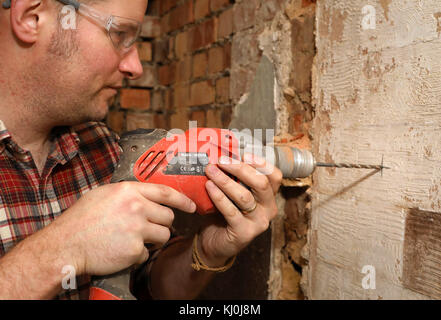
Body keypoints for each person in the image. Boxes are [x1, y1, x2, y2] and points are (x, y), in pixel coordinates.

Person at [0, 0, 282, 299]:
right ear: (32, 18)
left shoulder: (103, 147)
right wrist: (60, 250)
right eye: (120, 34)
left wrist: (206, 252)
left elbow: (152, 285)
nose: (134, 67)